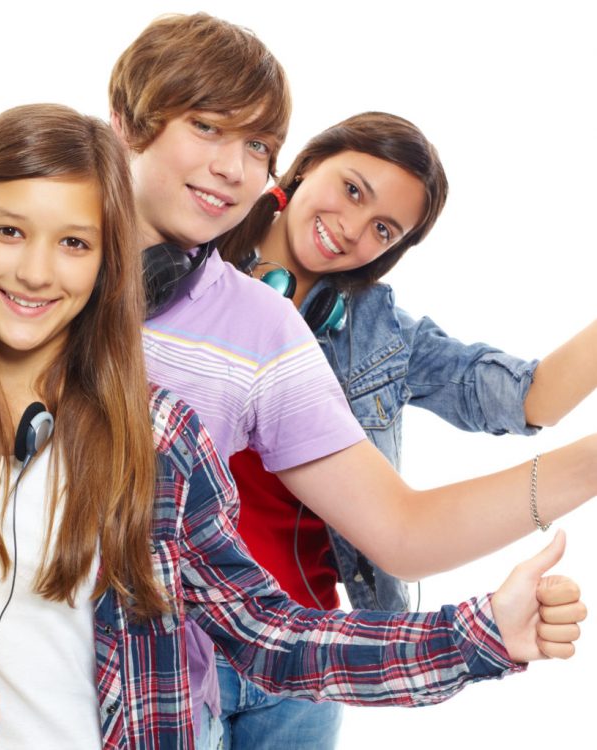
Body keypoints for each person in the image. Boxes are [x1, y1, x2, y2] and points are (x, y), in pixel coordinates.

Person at [0, 12, 597, 749]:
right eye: (207, 126)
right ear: (125, 123)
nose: (234, 168)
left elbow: (373, 549)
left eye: (258, 146)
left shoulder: (216, 377)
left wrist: (491, 619)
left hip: (184, 682)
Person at [217, 110, 597, 745]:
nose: (351, 229)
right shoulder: (187, 266)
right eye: (353, 189)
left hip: (308, 655)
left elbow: (532, 398)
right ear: (307, 164)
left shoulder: (380, 333)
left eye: (383, 229)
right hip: (179, 634)